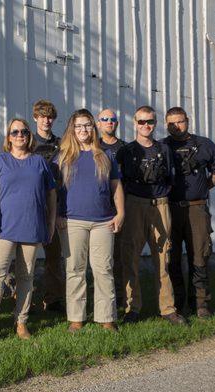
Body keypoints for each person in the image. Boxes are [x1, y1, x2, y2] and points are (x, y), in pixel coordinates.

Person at [0, 119, 57, 343]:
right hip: (4, 228)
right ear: (9, 137)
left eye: (24, 131)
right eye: (15, 132)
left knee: (26, 276)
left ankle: (21, 321)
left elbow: (51, 193)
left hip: (32, 226)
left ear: (29, 135)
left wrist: (51, 222)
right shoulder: (0, 161)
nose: (20, 135)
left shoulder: (39, 162)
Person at [56, 109, 125, 332]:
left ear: (93, 128)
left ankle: (106, 317)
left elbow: (116, 186)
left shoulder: (105, 155)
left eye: (87, 125)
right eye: (78, 126)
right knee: (75, 268)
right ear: (72, 129)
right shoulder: (63, 156)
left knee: (103, 269)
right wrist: (56, 215)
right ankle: (76, 318)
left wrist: (120, 213)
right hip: (72, 220)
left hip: (103, 221)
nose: (83, 130)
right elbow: (53, 191)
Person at [115, 106, 186, 325]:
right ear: (135, 123)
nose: (146, 126)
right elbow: (119, 182)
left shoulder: (164, 149)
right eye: (142, 122)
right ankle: (132, 308)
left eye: (150, 122)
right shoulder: (126, 151)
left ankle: (167, 308)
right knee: (130, 257)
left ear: (156, 124)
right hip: (135, 204)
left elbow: (171, 178)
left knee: (162, 258)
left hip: (160, 204)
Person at [163, 107, 215, 318]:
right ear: (166, 124)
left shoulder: (204, 144)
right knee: (172, 258)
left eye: (180, 122)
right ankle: (178, 304)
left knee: (199, 256)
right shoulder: (162, 146)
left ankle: (200, 304)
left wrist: (202, 188)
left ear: (187, 121)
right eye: (171, 123)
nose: (176, 126)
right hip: (170, 208)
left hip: (196, 208)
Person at [32, 99, 65, 312]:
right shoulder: (27, 141)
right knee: (27, 256)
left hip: (54, 203)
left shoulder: (61, 143)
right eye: (42, 116)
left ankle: (53, 299)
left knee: (54, 255)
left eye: (50, 116)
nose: (47, 120)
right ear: (35, 118)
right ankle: (27, 300)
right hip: (32, 204)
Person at [96, 108, 127, 308]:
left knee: (120, 255)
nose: (109, 122)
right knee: (99, 259)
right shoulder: (94, 147)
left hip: (119, 207)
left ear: (117, 123)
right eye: (104, 119)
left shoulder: (126, 148)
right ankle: (97, 298)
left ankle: (122, 298)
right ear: (98, 123)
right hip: (99, 209)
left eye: (112, 119)